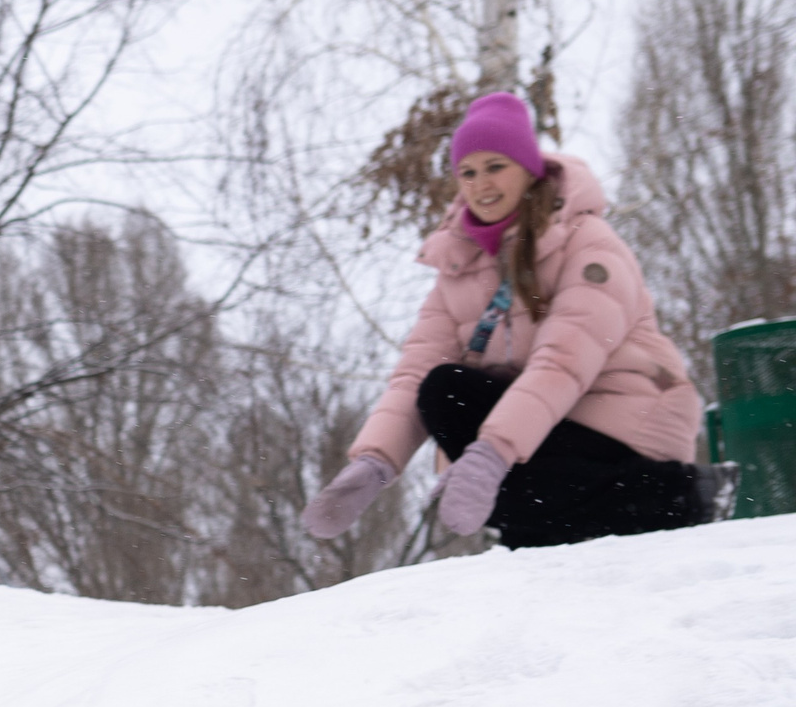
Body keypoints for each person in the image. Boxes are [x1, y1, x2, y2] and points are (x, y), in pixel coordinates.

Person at [304, 94, 709, 551]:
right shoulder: (459, 265)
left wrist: (491, 454)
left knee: (487, 475)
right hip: (542, 429)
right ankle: (539, 532)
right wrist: (374, 462)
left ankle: (680, 497)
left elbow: (564, 362)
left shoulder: (587, 242)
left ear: (528, 168)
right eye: (468, 173)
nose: (481, 184)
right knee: (444, 392)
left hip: (626, 419)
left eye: (496, 166)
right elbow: (416, 369)